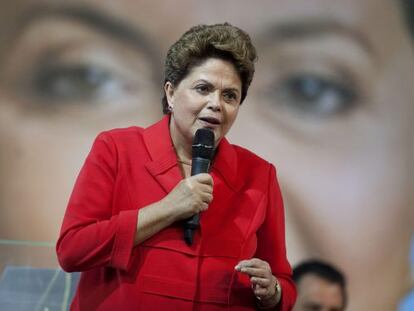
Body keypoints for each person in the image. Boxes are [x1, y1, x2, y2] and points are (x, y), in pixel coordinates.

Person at [56, 23, 296, 310]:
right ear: (170, 93)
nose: (215, 104)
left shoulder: (259, 174)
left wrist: (274, 292)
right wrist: (169, 208)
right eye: (203, 88)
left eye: (230, 95)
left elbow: (283, 279)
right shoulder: (117, 149)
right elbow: (72, 250)